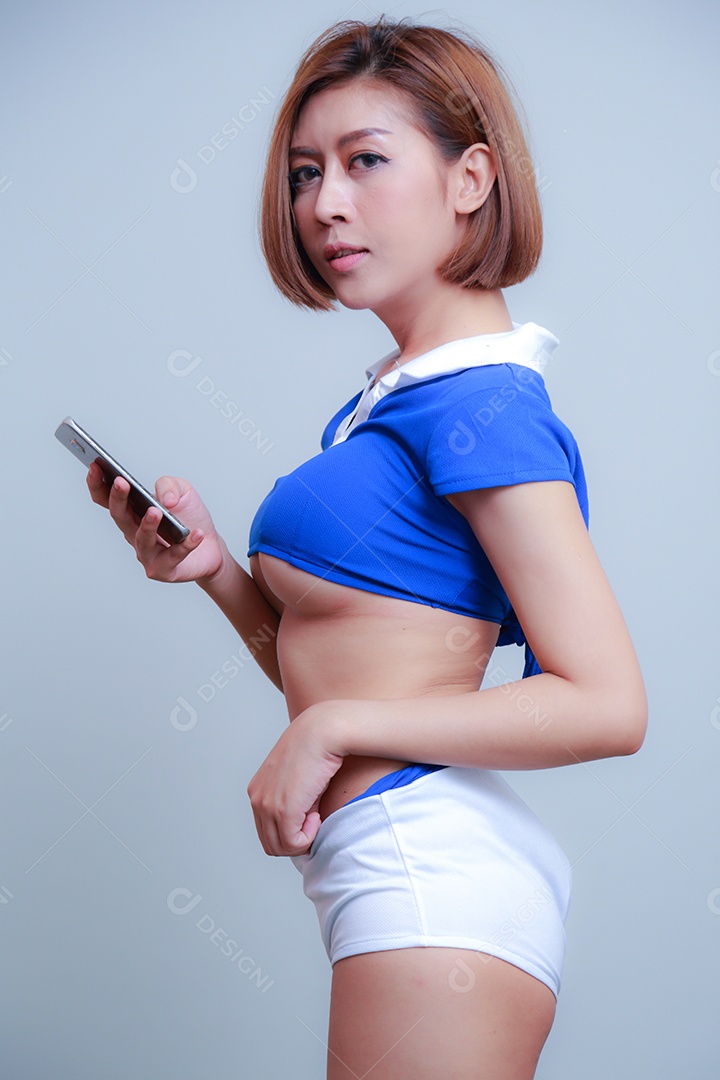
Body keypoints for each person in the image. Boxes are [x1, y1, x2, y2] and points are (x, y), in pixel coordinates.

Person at [87, 16, 647, 1080]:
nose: (323, 204)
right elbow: (345, 675)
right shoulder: (398, 399)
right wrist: (215, 574)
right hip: (395, 863)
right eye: (306, 172)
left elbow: (609, 704)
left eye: (365, 162)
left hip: (432, 872)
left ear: (472, 177)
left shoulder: (483, 406)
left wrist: (339, 722)